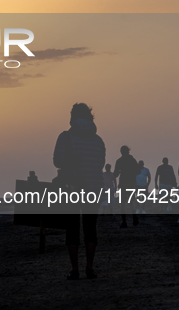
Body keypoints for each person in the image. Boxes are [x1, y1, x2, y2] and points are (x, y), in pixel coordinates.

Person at [53, 103, 105, 280]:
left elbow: (57, 161)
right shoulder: (98, 140)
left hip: (73, 188)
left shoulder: (65, 136)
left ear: (72, 117)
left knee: (72, 229)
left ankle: (74, 270)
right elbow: (100, 164)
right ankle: (89, 268)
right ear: (91, 117)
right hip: (94, 188)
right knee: (91, 228)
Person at [114, 146, 140, 228]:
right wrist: (132, 174)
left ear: (121, 151)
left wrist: (121, 171)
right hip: (132, 184)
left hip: (123, 184)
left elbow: (115, 174)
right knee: (131, 202)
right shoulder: (132, 160)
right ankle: (134, 217)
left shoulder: (119, 161)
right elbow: (138, 171)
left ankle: (124, 222)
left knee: (123, 204)